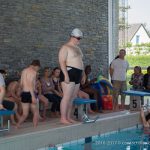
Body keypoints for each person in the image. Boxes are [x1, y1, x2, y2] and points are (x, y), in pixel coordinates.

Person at [58, 28, 85, 124]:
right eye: (78, 38)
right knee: (66, 96)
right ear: (72, 37)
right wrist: (65, 75)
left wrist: (83, 74)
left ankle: (68, 117)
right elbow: (62, 62)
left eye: (80, 38)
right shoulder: (65, 47)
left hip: (78, 73)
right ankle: (63, 118)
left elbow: (81, 62)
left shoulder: (78, 48)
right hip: (69, 72)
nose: (79, 40)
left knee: (72, 97)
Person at [16, 60, 40, 128]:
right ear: (36, 66)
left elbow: (21, 83)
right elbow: (30, 84)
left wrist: (19, 91)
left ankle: (17, 125)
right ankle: (35, 127)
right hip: (31, 93)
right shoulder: (33, 72)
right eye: (38, 68)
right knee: (35, 112)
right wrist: (33, 96)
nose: (38, 69)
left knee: (25, 114)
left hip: (24, 93)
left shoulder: (24, 71)